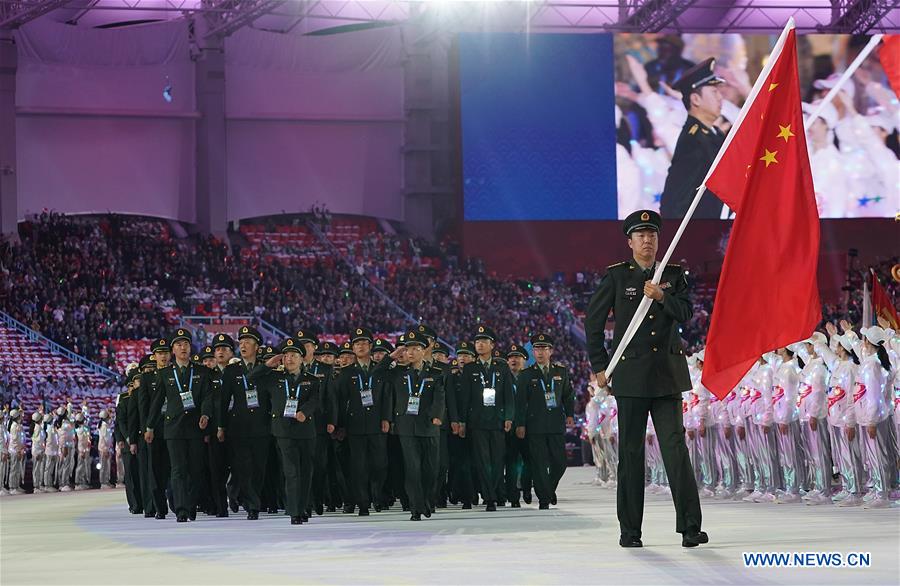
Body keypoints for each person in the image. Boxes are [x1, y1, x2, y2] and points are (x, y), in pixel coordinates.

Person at [584, 209, 705, 548]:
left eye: (652, 235)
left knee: (675, 451)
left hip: (667, 376)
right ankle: (630, 531)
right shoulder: (617, 277)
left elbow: (686, 313)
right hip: (632, 378)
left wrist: (662, 296)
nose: (647, 240)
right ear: (630, 242)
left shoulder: (674, 274)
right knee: (632, 454)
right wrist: (599, 366)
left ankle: (691, 527)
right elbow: (592, 324)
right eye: (641, 235)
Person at [147, 329, 215, 522]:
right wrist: (150, 427)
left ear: (190, 347)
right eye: (178, 344)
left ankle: (191, 505)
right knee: (178, 469)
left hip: (195, 427)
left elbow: (208, 396)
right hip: (174, 428)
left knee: (195, 470)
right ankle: (182, 509)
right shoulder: (165, 374)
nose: (183, 347)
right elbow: (157, 402)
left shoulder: (201, 372)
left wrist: (205, 414)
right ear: (173, 350)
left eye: (185, 343)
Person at [252, 337, 321, 525]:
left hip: (306, 430)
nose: (289, 359)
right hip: (283, 430)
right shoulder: (274, 377)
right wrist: (267, 365)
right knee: (291, 471)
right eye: (286, 355)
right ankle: (294, 511)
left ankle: (305, 506)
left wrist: (304, 412)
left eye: (293, 355)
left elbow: (315, 400)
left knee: (306, 471)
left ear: (301, 358)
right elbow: (251, 378)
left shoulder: (312, 380)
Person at [386, 330, 446, 521]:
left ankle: (427, 500)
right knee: (413, 469)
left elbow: (440, 397)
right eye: (407, 349)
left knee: (430, 469)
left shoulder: (435, 373)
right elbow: (377, 372)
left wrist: (437, 416)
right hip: (406, 427)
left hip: (429, 427)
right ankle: (415, 507)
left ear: (424, 351)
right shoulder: (398, 373)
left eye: (415, 349)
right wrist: (393, 356)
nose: (410, 353)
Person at [334, 327, 391, 516]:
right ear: (352, 347)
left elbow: (386, 396)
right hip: (355, 426)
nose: (360, 346)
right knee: (358, 467)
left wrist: (386, 418)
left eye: (364, 343)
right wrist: (340, 425)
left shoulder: (379, 369)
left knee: (380, 464)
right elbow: (340, 401)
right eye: (356, 343)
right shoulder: (346, 373)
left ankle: (376, 493)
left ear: (371, 346)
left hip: (377, 424)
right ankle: (363, 503)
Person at [659, 58, 727, 219]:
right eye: (714, 92)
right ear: (696, 99)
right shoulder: (693, 141)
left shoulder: (714, 133)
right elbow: (675, 200)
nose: (720, 97)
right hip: (700, 233)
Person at [514, 333, 575, 509]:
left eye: (544, 348)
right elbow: (520, 402)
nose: (540, 352)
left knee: (560, 462)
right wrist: (520, 424)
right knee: (539, 463)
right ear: (533, 351)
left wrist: (570, 414)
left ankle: (548, 489)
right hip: (535, 425)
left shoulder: (560, 371)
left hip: (556, 423)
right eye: (537, 349)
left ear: (551, 351)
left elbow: (568, 395)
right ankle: (543, 498)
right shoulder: (526, 375)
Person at [460, 326, 514, 511]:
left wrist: (508, 417)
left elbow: (508, 395)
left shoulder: (502, 368)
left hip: (498, 421)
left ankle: (495, 490)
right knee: (482, 460)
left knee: (498, 460)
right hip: (477, 422)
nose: (480, 345)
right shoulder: (469, 369)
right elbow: (464, 398)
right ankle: (489, 496)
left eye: (484, 341)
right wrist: (462, 421)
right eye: (477, 342)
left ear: (492, 345)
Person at [220, 326, 271, 520]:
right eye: (241, 343)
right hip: (238, 427)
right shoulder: (232, 370)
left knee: (259, 467)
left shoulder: (266, 369)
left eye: (248, 342)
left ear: (257, 346)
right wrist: (221, 426)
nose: (243, 345)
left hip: (261, 425)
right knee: (243, 466)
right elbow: (224, 401)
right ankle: (252, 505)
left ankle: (245, 494)